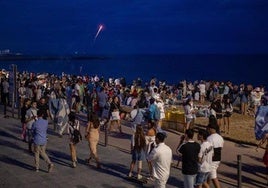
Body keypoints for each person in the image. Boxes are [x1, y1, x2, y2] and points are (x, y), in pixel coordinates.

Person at [207, 122, 224, 188]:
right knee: (209, 175)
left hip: (212, 160)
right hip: (218, 159)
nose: (207, 130)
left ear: (211, 129)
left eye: (208, 129)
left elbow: (209, 150)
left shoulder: (209, 138)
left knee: (213, 177)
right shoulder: (220, 137)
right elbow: (221, 147)